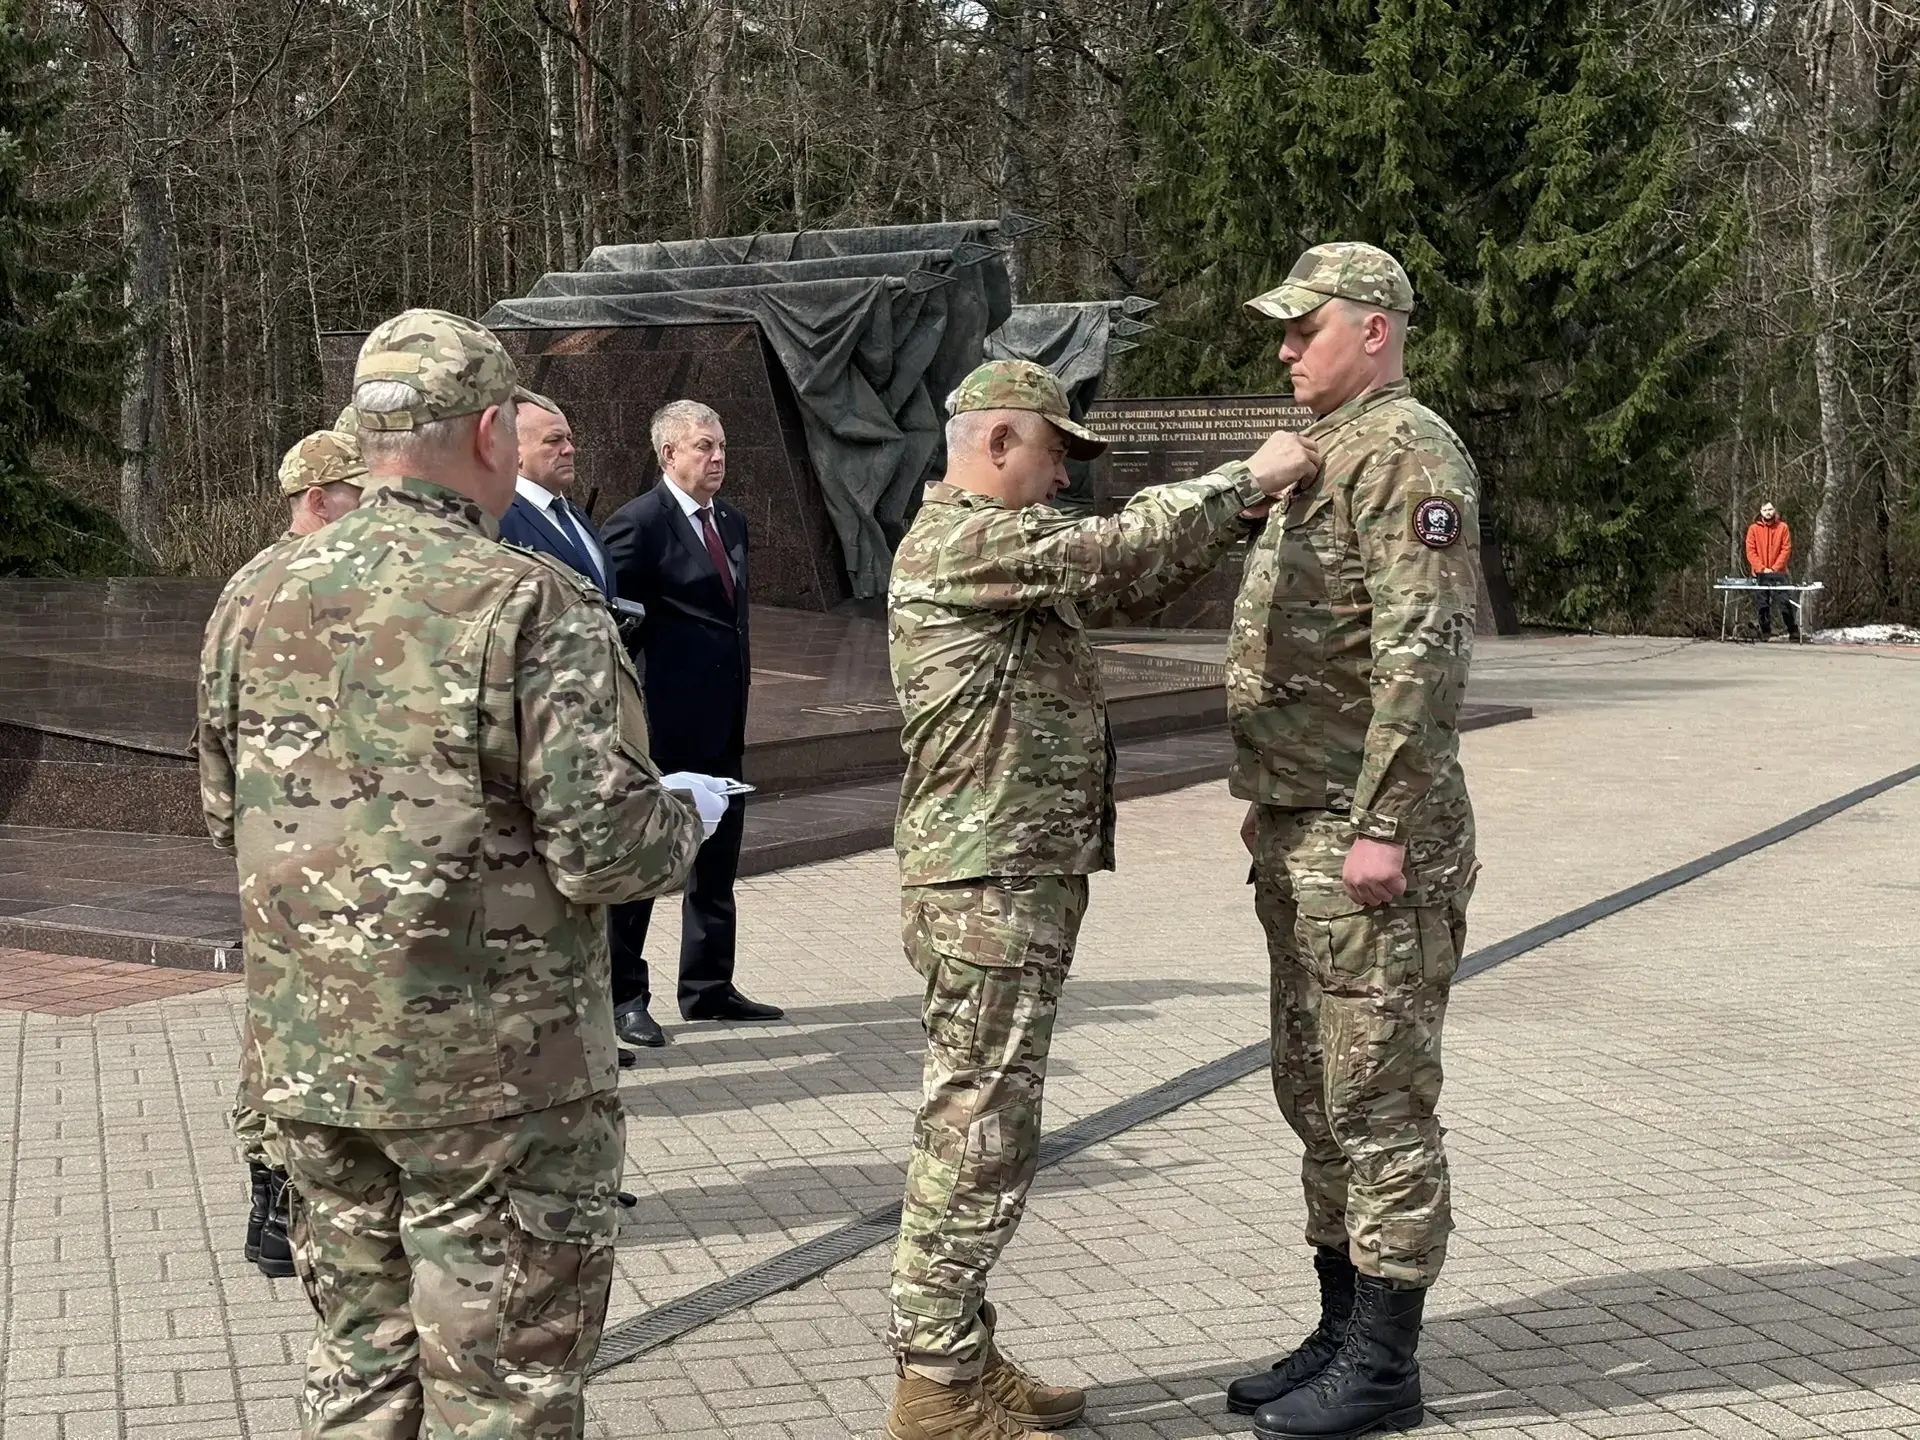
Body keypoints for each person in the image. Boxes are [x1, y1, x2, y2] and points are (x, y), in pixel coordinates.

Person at [197, 308, 729, 1437]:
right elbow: (608, 848)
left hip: (313, 1058)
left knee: (360, 1371)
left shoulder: (252, 596)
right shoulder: (528, 599)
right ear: (491, 431)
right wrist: (683, 814)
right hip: (495, 1083)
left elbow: (220, 813)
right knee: (503, 1395)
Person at [883, 359, 1320, 1440]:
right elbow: (1116, 546)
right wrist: (1247, 478)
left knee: (992, 1118)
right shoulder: (964, 541)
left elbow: (1126, 582)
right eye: (1053, 454)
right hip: (987, 881)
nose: (1062, 479)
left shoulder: (1007, 555)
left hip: (1010, 873)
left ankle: (961, 1352)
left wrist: (1232, 522)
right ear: (997, 442)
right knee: (978, 1126)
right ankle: (934, 1384)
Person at [1221, 243, 1480, 1440]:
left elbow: (1422, 657)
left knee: (1379, 1102)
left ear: (1373, 329)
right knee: (1316, 1092)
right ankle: (1339, 1327)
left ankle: (1384, 1366)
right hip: (1304, 825)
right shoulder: (1326, 450)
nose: (1285, 350)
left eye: (1303, 328)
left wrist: (1382, 824)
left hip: (1371, 842)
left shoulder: (1410, 452)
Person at [212, 425, 367, 1280]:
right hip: (320, 847)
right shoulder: (318, 582)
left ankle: (272, 1204)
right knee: (310, 1027)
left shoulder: (247, 584)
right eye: (357, 493)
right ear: (318, 498)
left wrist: (233, 833)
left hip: (271, 844)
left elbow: (212, 727)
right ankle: (286, 1199)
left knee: (278, 1020)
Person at [599, 400, 782, 1047]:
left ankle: (708, 987)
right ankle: (625, 997)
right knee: (648, 864)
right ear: (668, 453)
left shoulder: (729, 520)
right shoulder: (638, 524)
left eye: (722, 444)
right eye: (704, 445)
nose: (718, 456)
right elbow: (614, 625)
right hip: (663, 725)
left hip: (723, 720)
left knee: (717, 863)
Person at [500, 387, 614, 596]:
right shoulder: (500, 520)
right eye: (553, 440)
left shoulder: (573, 513)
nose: (569, 449)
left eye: (569, 438)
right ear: (515, 451)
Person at [1744, 501, 1800, 641]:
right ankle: (1765, 632)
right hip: (1759, 573)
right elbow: (1750, 551)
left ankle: (1793, 630)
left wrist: (1775, 568)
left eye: (1770, 509)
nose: (1768, 512)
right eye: (1765, 510)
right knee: (1762, 604)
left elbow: (1786, 549)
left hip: (1779, 573)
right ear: (1760, 511)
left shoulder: (1783, 527)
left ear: (1774, 510)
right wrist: (1762, 568)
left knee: (1785, 603)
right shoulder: (1753, 529)